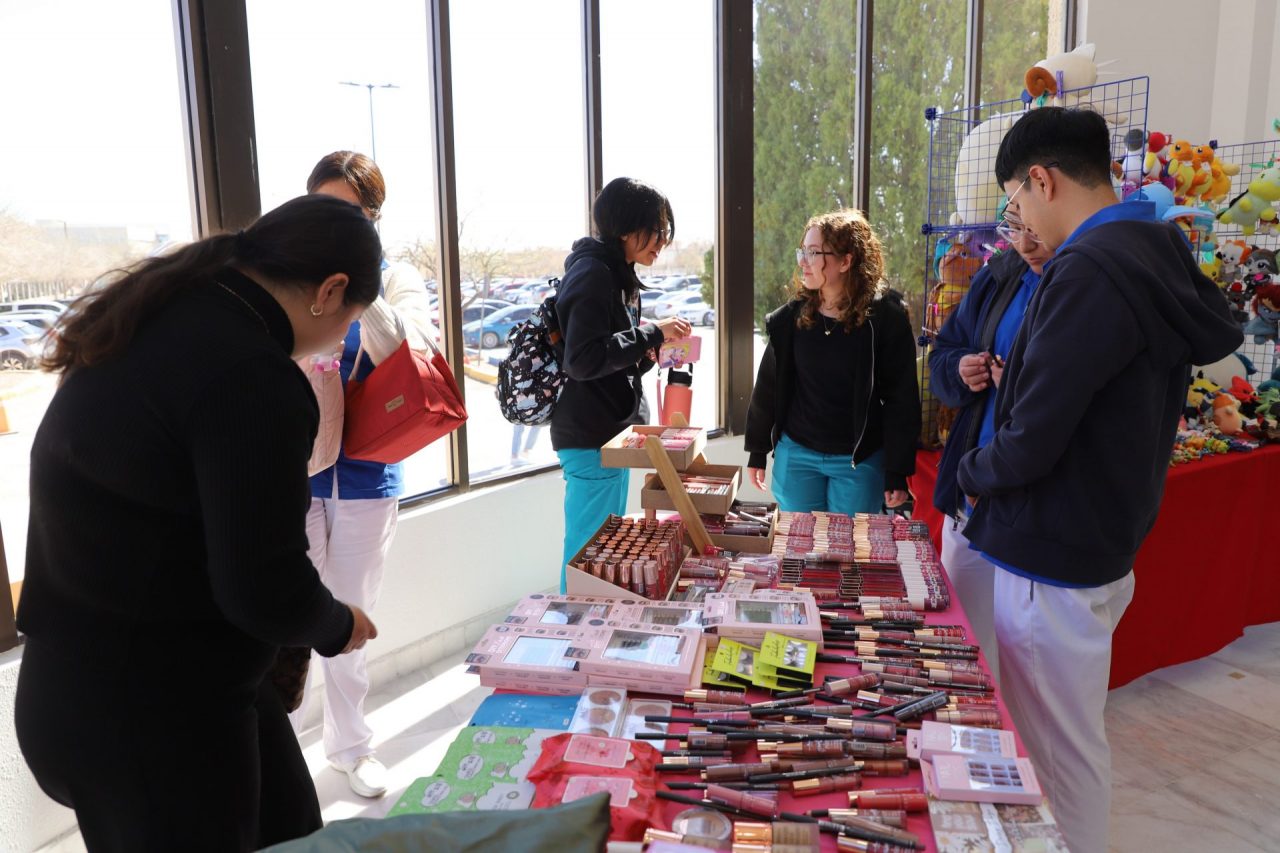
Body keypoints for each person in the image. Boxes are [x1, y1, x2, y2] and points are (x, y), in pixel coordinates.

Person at [15, 194, 382, 852]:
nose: (339, 338)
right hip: (150, 715)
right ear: (330, 291)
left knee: (293, 830)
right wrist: (337, 624)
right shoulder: (252, 375)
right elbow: (264, 584)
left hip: (82, 685)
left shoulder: (158, 318)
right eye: (350, 319)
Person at [958, 107, 1242, 853]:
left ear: (1041, 180)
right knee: (1066, 738)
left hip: (1052, 551)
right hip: (1099, 538)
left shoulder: (1089, 270)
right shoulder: (1152, 248)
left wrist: (972, 470)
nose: (1021, 224)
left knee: (1058, 753)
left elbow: (1033, 436)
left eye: (1016, 204)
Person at [290, 151, 435, 799]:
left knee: (349, 616)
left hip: (368, 470)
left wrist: (362, 284)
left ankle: (350, 745)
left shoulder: (396, 277)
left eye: (351, 213)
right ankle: (278, 745)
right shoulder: (288, 275)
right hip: (292, 472)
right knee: (285, 617)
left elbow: (410, 349)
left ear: (374, 218)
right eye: (323, 208)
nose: (334, 223)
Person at [928, 206, 1052, 682]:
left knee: (1027, 667)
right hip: (971, 491)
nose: (1025, 243)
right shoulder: (998, 275)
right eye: (1014, 228)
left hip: (1030, 504)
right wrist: (961, 369)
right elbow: (944, 354)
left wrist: (1015, 388)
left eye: (1034, 229)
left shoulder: (1080, 286)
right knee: (959, 637)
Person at [551, 177, 691, 591]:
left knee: (601, 554)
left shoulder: (615, 273)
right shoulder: (593, 274)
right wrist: (651, 333)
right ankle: (574, 625)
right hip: (590, 437)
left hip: (607, 436)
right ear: (627, 227)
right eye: (657, 229)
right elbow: (582, 359)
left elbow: (608, 361)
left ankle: (585, 622)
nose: (662, 241)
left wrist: (648, 352)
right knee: (587, 557)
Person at [745, 209, 920, 515]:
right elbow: (768, 386)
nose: (803, 261)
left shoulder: (886, 320)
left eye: (813, 253)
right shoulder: (791, 319)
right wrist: (758, 449)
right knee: (798, 542)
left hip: (858, 461)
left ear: (845, 261)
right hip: (797, 455)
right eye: (803, 251)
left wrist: (897, 469)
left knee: (851, 544)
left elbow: (901, 398)